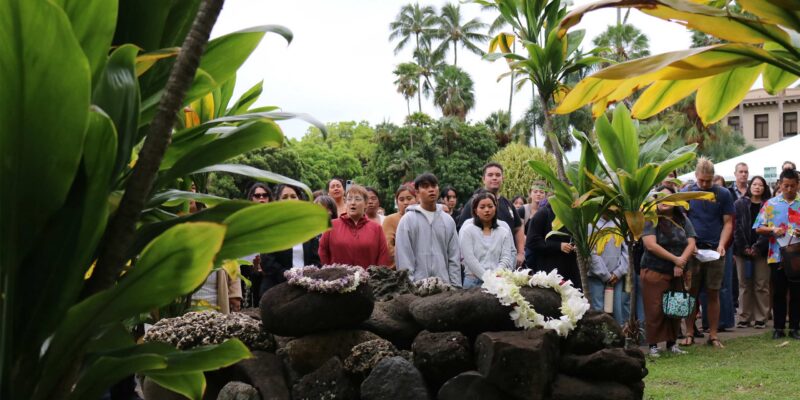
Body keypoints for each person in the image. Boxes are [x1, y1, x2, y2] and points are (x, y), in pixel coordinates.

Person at [683, 157, 734, 348]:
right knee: (691, 293)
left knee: (713, 292)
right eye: (702, 180)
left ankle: (713, 334)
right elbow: (681, 222)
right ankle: (689, 332)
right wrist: (690, 244)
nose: (705, 184)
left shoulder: (723, 194)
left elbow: (728, 222)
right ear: (696, 176)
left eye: (708, 180)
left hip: (714, 249)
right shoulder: (686, 192)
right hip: (693, 250)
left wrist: (722, 244)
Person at [641, 185, 696, 356]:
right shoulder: (651, 218)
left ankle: (673, 343)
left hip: (677, 271)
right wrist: (675, 260)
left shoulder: (683, 219)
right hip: (654, 269)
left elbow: (691, 242)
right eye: (660, 198)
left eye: (668, 198)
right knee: (655, 308)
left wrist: (681, 263)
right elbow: (650, 245)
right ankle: (653, 345)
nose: (664, 201)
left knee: (676, 305)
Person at [754, 169, 800, 340]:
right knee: (779, 292)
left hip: (797, 256)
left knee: (797, 293)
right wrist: (772, 229)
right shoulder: (770, 204)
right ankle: (778, 328)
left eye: (792, 186)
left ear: (798, 185)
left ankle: (795, 327)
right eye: (786, 185)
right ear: (780, 184)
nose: (789, 189)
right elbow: (758, 227)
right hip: (777, 255)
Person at [395, 173, 461, 286]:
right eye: (425, 186)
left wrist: (455, 286)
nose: (431, 190)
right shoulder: (408, 220)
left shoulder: (448, 221)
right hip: (417, 288)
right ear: (416, 192)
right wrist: (409, 287)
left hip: (444, 286)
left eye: (434, 186)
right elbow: (404, 257)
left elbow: (454, 256)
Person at [457, 162, 525, 267]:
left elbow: (518, 227)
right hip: (479, 268)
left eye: (498, 175)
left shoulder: (507, 203)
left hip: (505, 267)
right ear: (483, 179)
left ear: (503, 178)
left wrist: (520, 253)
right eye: (490, 175)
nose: (494, 178)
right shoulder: (473, 203)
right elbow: (462, 233)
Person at [259, 184, 320, 296]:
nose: (289, 200)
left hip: (305, 290)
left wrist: (306, 278)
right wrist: (289, 277)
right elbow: (267, 261)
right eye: (285, 197)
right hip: (276, 290)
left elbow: (315, 260)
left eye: (293, 196)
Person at [319, 184, 390, 268]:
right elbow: (323, 251)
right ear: (345, 202)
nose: (353, 203)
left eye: (357, 199)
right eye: (349, 199)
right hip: (338, 279)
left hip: (368, 279)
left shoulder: (376, 228)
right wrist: (330, 273)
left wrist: (375, 277)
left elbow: (383, 256)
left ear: (366, 204)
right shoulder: (331, 225)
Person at [733, 176, 771, 329]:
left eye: (760, 185)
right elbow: (736, 228)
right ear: (750, 186)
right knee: (744, 284)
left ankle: (761, 317)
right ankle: (744, 317)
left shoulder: (769, 205)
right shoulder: (739, 204)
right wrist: (745, 247)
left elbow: (769, 228)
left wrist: (757, 247)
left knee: (761, 284)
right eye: (754, 184)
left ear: (764, 188)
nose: (757, 187)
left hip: (762, 250)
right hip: (742, 251)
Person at [459, 191, 515, 288]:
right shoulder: (468, 231)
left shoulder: (503, 232)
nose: (487, 210)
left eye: (490, 206)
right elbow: (469, 259)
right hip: (473, 282)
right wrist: (487, 278)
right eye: (482, 207)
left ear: (495, 208)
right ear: (475, 210)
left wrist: (496, 275)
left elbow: (506, 257)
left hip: (498, 281)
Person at [525, 201, 581, 289]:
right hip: (548, 273)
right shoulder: (544, 213)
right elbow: (532, 241)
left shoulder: (572, 214)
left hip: (570, 271)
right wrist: (558, 246)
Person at [587, 217, 629, 326]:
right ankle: (601, 338)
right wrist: (605, 275)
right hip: (596, 276)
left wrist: (618, 272)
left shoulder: (619, 223)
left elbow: (627, 249)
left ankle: (617, 339)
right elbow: (591, 252)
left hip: (616, 277)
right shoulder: (591, 223)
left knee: (617, 309)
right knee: (598, 310)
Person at [382, 184, 417, 266]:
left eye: (409, 198)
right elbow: (388, 247)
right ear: (397, 202)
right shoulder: (390, 220)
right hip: (398, 268)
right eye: (401, 200)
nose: (406, 203)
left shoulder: (421, 218)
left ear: (416, 199)